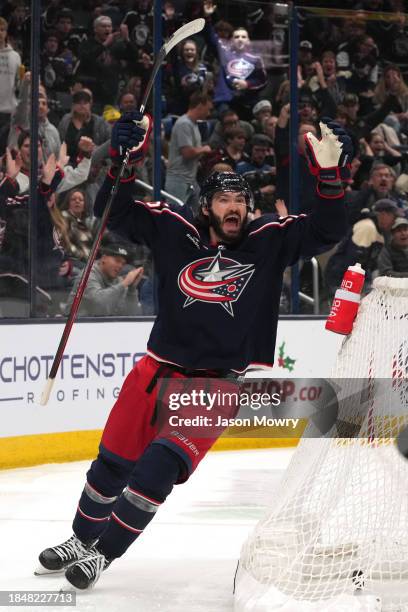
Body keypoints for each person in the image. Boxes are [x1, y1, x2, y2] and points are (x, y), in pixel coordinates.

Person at [35, 113, 352, 590]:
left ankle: (102, 554)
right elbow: (114, 214)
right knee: (112, 463)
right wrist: (124, 160)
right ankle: (81, 540)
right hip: (155, 369)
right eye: (224, 199)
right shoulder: (173, 227)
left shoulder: (268, 240)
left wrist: (330, 178)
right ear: (206, 206)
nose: (235, 209)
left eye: (242, 201)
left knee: (158, 468)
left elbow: (328, 230)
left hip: (215, 384)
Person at [65, 243, 145, 317]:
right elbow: (99, 305)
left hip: (103, 328)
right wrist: (124, 284)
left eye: (123, 263)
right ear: (103, 259)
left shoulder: (118, 281)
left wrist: (132, 289)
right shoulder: (87, 275)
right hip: (77, 327)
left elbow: (133, 315)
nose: (120, 266)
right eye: (117, 261)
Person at [164, 91, 213, 211]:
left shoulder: (194, 125)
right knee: (175, 215)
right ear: (200, 106)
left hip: (190, 179)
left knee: (198, 212)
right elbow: (187, 153)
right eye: (208, 109)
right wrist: (204, 149)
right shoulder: (184, 124)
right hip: (178, 179)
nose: (209, 113)